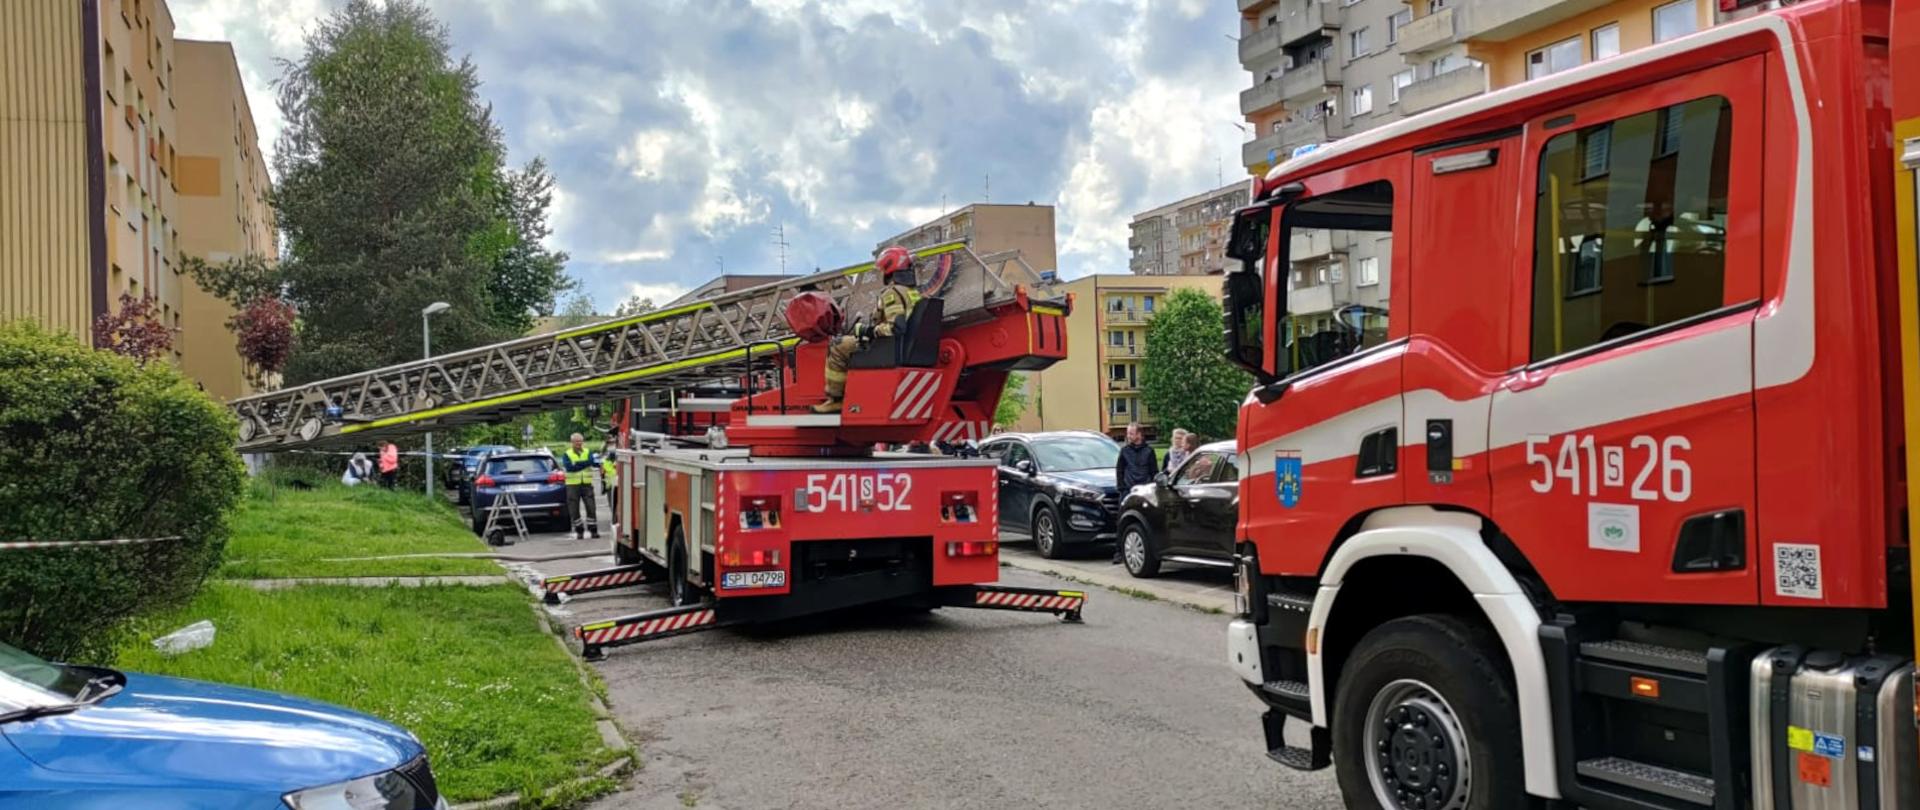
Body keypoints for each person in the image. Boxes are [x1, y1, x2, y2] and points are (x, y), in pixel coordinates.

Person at [814, 246, 921, 414]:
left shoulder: (892, 293)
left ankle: (836, 399)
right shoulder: (914, 292)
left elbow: (896, 328)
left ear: (889, 268)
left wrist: (868, 331)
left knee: (838, 345)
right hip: (904, 348)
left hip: (887, 349)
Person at [1112, 422, 1158, 564]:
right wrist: (1121, 487)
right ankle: (1119, 551)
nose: (1128, 436)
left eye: (1131, 433)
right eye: (1128, 433)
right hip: (1128, 490)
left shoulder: (1149, 451)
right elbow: (1119, 470)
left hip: (1144, 491)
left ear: (1139, 434)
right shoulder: (1125, 451)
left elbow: (1154, 471)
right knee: (1122, 521)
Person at [560, 433, 600, 540]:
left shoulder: (588, 451)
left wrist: (577, 464)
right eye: (576, 441)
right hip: (572, 485)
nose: (578, 443)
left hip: (586, 484)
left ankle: (593, 530)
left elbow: (591, 462)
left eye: (580, 441)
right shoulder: (566, 454)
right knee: (574, 509)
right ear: (572, 442)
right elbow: (569, 467)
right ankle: (579, 531)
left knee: (591, 507)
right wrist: (585, 463)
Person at [599, 441, 620, 528]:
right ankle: (615, 520)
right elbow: (602, 474)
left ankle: (616, 521)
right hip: (610, 486)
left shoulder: (617, 460)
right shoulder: (604, 461)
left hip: (618, 485)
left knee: (616, 504)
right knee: (613, 505)